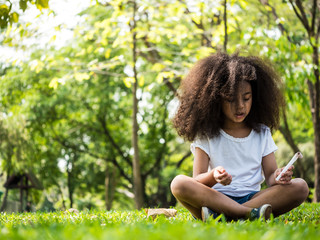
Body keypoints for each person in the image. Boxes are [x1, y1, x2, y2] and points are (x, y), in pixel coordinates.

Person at [170, 52, 309, 221]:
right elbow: (197, 180)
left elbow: (271, 177)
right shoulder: (206, 135)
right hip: (214, 199)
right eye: (231, 100)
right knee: (178, 183)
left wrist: (280, 176)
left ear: (255, 98)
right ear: (215, 99)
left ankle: (225, 216)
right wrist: (213, 176)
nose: (240, 106)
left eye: (246, 98)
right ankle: (245, 214)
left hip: (254, 199)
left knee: (300, 186)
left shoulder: (262, 133)